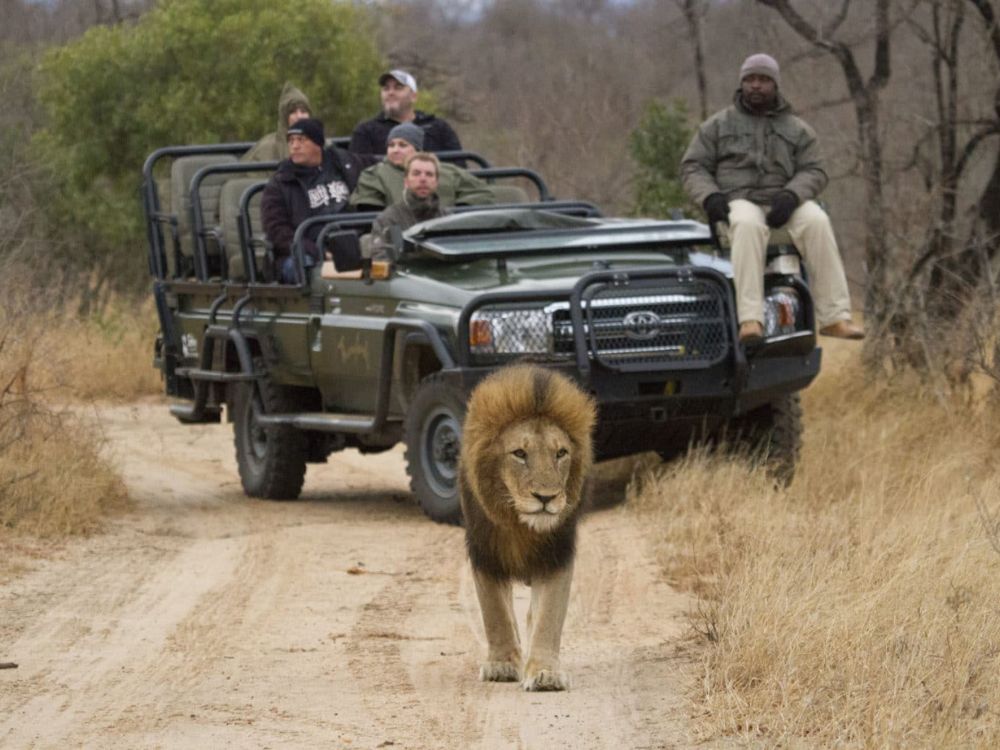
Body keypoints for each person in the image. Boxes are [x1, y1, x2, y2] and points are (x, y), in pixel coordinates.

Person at [681, 53, 865, 343]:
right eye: (750, 79)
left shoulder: (798, 129)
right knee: (746, 223)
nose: (756, 86)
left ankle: (835, 317)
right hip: (737, 199)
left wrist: (793, 195)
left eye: (764, 80)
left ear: (775, 85)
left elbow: (814, 169)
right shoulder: (716, 126)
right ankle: (751, 320)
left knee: (817, 220)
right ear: (741, 84)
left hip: (782, 201)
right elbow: (693, 167)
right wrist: (710, 197)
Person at [260, 118, 373, 283]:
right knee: (304, 267)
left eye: (301, 140)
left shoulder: (344, 163)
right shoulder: (280, 183)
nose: (295, 146)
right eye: (291, 141)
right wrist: (317, 251)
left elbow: (380, 165)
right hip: (304, 251)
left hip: (351, 242)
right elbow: (277, 231)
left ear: (317, 143)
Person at [350, 122, 494, 211]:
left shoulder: (448, 171)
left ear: (417, 149)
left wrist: (459, 213)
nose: (395, 150)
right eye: (391, 145)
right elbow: (368, 210)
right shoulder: (374, 174)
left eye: (402, 145)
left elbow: (481, 193)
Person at [348, 69, 462, 157]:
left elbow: (459, 169)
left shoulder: (438, 128)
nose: (390, 93)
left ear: (414, 96)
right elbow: (356, 174)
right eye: (386, 88)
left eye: (398, 87)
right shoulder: (366, 131)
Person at [369, 152, 449, 260]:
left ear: (436, 182)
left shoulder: (447, 219)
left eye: (429, 174)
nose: (423, 179)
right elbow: (380, 258)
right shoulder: (388, 219)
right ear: (406, 181)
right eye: (416, 174)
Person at [241, 81, 313, 162]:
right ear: (284, 117)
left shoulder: (319, 146)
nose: (299, 116)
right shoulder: (267, 147)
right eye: (293, 112)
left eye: (303, 111)